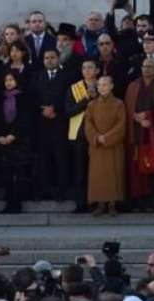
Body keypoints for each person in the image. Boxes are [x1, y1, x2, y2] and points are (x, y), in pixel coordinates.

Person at [124, 57, 154, 211]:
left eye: (151, 66)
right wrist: (135, 117)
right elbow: (126, 108)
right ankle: (136, 200)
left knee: (152, 167)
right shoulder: (132, 86)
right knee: (135, 169)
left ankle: (152, 200)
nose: (147, 69)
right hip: (136, 133)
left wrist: (148, 116)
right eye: (144, 66)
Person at [32, 48, 72, 200]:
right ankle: (44, 190)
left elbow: (70, 98)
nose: (49, 60)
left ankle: (62, 191)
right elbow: (32, 97)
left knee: (61, 158)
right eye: (46, 58)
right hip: (42, 125)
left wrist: (55, 109)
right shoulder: (37, 77)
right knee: (44, 159)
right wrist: (42, 110)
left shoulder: (68, 77)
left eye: (52, 57)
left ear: (58, 58)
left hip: (60, 123)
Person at [84, 76, 126, 216]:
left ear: (112, 86)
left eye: (105, 85)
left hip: (113, 145)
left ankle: (112, 204)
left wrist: (107, 138)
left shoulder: (119, 104)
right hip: (97, 146)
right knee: (98, 176)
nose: (102, 87)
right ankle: (100, 204)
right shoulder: (91, 105)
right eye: (100, 85)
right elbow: (88, 125)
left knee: (114, 173)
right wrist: (96, 137)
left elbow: (121, 125)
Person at [0, 70, 33, 214]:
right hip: (3, 139)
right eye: (6, 80)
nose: (8, 83)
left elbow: (25, 119)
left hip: (19, 140)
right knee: (6, 173)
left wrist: (14, 135)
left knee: (19, 172)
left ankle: (17, 203)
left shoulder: (23, 97)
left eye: (11, 80)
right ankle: (9, 203)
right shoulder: (0, 97)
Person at [66, 59, 100, 213]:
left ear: (97, 70)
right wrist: (86, 100)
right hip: (79, 134)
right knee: (80, 170)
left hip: (99, 133)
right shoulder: (74, 88)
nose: (87, 71)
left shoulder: (103, 85)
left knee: (98, 169)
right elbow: (69, 111)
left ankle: (98, 201)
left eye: (90, 68)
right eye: (84, 68)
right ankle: (81, 203)